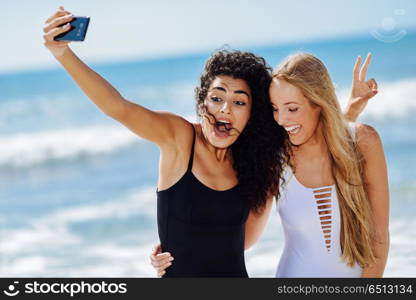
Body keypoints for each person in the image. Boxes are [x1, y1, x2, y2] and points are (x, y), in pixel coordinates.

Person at [43, 6, 287, 277]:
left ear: (252, 114)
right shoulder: (179, 138)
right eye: (217, 98)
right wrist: (63, 54)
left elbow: (244, 241)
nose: (225, 109)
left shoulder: (259, 163)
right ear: (202, 100)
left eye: (239, 102)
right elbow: (119, 108)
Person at [151, 53, 389, 277]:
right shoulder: (276, 159)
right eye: (275, 109)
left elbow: (379, 235)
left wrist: (351, 110)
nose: (282, 120)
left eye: (292, 108)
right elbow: (241, 238)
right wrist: (178, 247)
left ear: (319, 102)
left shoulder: (364, 142)